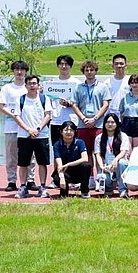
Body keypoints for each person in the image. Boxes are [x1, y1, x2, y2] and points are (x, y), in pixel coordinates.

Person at [0, 60, 36, 192]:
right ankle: (12, 181)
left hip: (28, 127)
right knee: (11, 156)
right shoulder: (7, 88)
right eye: (17, 70)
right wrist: (14, 116)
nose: (19, 72)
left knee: (30, 155)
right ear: (13, 71)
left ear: (26, 72)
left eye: (22, 70)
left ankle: (30, 180)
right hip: (11, 127)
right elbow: (1, 106)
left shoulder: (30, 87)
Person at [13, 74, 52, 199]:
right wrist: (28, 130)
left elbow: (47, 115)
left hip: (42, 135)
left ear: (38, 85)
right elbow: (17, 117)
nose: (32, 86)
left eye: (34, 83)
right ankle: (23, 187)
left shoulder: (44, 98)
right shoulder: (20, 99)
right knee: (23, 163)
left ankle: (42, 187)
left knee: (42, 163)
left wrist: (38, 129)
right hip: (24, 136)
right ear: (25, 85)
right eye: (29, 83)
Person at [71, 60, 112, 169]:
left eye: (92, 70)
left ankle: (100, 175)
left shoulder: (102, 87)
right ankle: (89, 178)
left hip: (98, 124)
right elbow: (74, 104)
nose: (89, 72)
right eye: (87, 70)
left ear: (96, 71)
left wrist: (95, 118)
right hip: (82, 125)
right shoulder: (78, 87)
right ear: (83, 72)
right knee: (86, 152)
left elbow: (106, 104)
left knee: (99, 151)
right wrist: (84, 118)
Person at [46, 55, 80, 187]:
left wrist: (70, 104)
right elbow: (47, 101)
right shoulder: (52, 82)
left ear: (70, 66)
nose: (63, 66)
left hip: (72, 120)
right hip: (56, 121)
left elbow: (79, 102)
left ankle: (74, 179)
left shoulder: (76, 83)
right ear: (58, 66)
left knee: (74, 150)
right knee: (57, 150)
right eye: (61, 64)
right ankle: (56, 178)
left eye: (66, 64)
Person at [93, 113, 131, 198]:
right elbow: (97, 154)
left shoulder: (123, 136)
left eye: (113, 122)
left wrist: (115, 160)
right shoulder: (99, 138)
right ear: (104, 124)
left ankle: (123, 190)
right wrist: (102, 167)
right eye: (108, 122)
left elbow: (123, 151)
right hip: (106, 166)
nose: (110, 124)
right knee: (103, 177)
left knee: (121, 163)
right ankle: (109, 189)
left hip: (119, 164)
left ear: (117, 124)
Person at [53, 121, 92, 199]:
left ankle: (84, 191)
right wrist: (62, 178)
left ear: (75, 132)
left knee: (86, 165)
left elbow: (85, 158)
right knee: (57, 179)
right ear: (61, 132)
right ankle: (64, 192)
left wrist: (68, 164)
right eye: (66, 130)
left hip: (78, 171)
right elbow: (59, 164)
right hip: (65, 171)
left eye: (71, 130)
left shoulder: (80, 142)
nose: (68, 132)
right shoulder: (57, 145)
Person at [105, 54, 129, 119]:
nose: (119, 66)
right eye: (116, 64)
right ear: (113, 66)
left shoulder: (130, 81)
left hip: (127, 115)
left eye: (121, 63)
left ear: (126, 65)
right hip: (112, 115)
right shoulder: (107, 82)